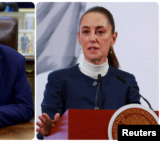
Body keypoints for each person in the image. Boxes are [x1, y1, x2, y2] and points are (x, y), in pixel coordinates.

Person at [36, 6, 140, 139]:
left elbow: (137, 127)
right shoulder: (58, 79)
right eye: (85, 32)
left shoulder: (127, 81)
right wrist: (48, 131)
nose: (92, 38)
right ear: (79, 38)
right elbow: (47, 129)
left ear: (113, 38)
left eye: (100, 32)